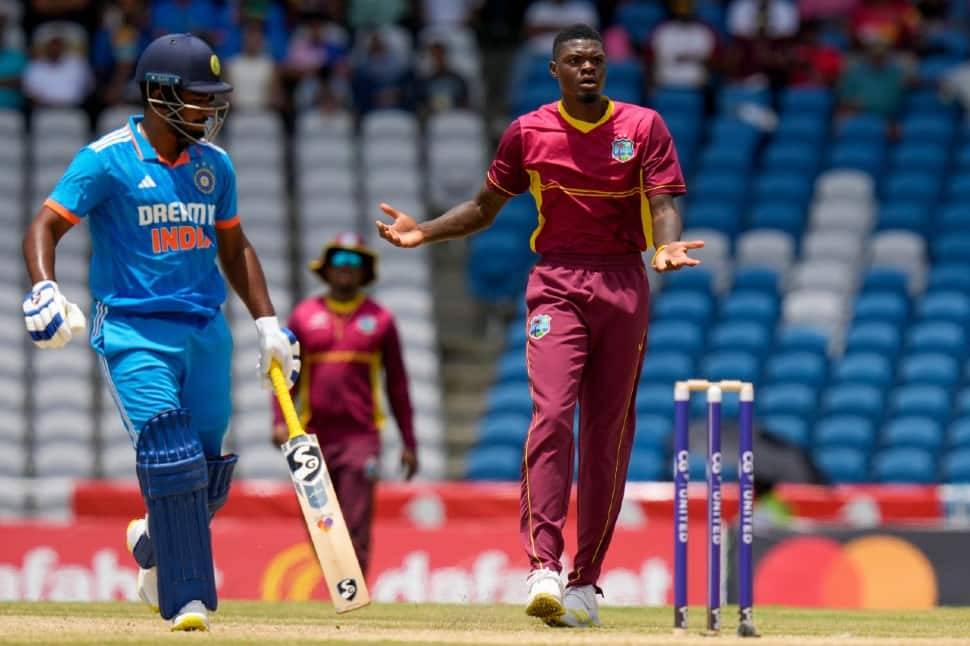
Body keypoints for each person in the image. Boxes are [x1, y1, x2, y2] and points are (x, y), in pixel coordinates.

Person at [376, 24, 703, 628]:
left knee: (608, 436)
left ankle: (585, 582)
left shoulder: (643, 126)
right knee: (552, 414)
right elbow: (482, 208)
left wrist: (667, 247)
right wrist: (423, 230)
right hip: (556, 283)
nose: (587, 68)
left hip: (623, 283)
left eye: (596, 60)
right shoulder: (528, 132)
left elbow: (661, 203)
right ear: (554, 70)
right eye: (575, 60)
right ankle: (542, 567)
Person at [20, 33, 300, 631]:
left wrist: (268, 321)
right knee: (172, 461)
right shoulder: (107, 158)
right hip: (132, 330)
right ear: (158, 94)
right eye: (200, 98)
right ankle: (188, 601)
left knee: (208, 477)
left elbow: (234, 246)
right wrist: (45, 287)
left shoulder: (213, 166)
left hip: (205, 332)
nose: (210, 110)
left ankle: (153, 542)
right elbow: (44, 226)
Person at [272, 232, 418, 577]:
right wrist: (279, 419)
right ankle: (337, 587)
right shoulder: (303, 316)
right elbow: (286, 376)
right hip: (312, 435)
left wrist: (409, 442)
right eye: (339, 261)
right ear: (327, 269)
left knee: (355, 520)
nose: (346, 268)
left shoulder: (380, 319)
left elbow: (397, 384)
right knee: (318, 520)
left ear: (365, 271)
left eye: (354, 262)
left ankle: (355, 594)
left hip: (361, 438)